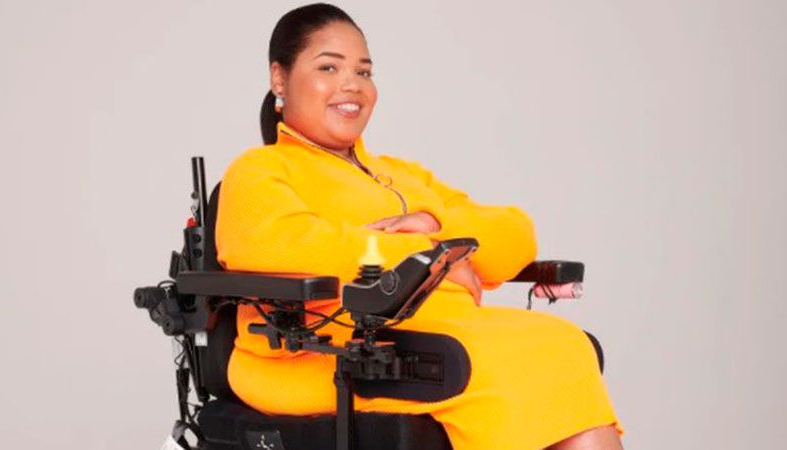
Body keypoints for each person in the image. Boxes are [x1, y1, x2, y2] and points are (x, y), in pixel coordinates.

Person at [215, 3, 623, 449]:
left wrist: (433, 224)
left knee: (563, 344)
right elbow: (283, 245)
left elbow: (516, 235)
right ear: (279, 78)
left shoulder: (402, 175)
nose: (352, 84)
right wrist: (434, 259)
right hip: (328, 354)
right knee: (510, 359)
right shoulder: (260, 170)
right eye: (328, 67)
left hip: (434, 337)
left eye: (364, 72)